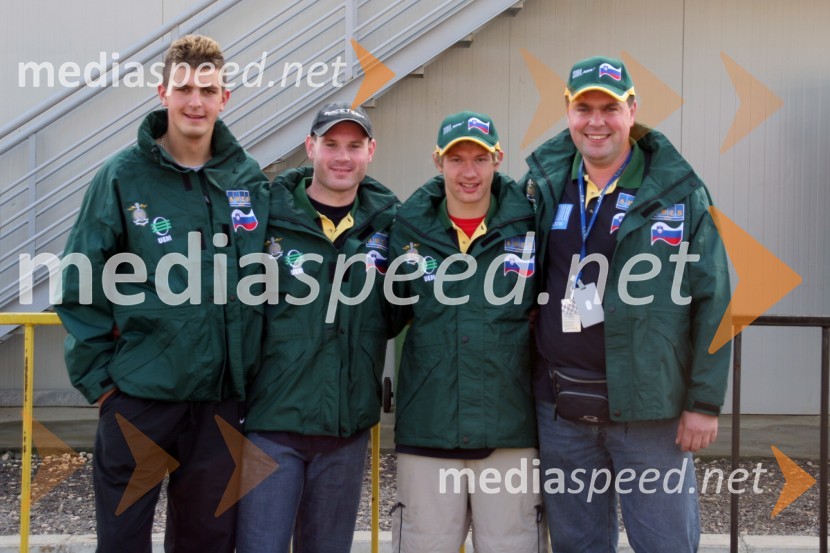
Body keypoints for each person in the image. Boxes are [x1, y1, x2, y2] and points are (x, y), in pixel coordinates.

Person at [56, 35, 269, 552]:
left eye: (208, 89)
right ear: (163, 93)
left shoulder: (246, 179)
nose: (195, 101)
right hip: (140, 399)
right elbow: (80, 280)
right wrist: (104, 385)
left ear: (226, 97)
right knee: (124, 540)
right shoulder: (122, 176)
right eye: (184, 88)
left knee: (206, 540)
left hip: (219, 404)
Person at [521, 56, 731, 552]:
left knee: (665, 544)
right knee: (577, 546)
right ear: (568, 112)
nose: (597, 121)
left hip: (649, 412)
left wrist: (703, 402)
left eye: (610, 107)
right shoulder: (543, 186)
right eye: (584, 108)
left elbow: (714, 299)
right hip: (562, 409)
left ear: (632, 110)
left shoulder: (679, 193)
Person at [237, 102, 398, 553]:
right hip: (271, 425)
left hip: (344, 430)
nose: (341, 157)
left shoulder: (391, 226)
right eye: (330, 144)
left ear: (371, 152)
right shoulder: (267, 218)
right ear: (310, 148)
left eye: (353, 145)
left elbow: (400, 311)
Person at [389, 111, 546, 552]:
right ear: (438, 162)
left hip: (510, 427)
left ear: (498, 158)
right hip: (429, 427)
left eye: (480, 157)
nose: (469, 172)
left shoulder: (531, 226)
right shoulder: (407, 230)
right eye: (457, 159)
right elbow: (383, 313)